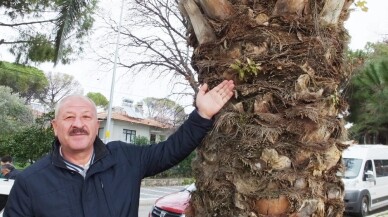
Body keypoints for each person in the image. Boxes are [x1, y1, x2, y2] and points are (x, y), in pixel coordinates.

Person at [4, 80, 235, 217]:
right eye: (68, 118)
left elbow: (170, 150)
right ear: (55, 127)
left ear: (96, 125)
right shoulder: (31, 181)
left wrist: (202, 115)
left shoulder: (124, 159)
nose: (78, 124)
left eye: (86, 117)